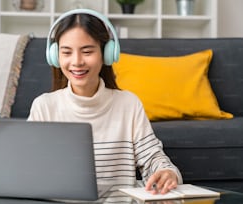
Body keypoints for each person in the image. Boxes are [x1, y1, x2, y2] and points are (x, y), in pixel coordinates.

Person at [27, 9, 182, 195]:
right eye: (66, 52)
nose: (76, 62)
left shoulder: (128, 104)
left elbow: (152, 158)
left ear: (107, 53)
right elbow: (30, 168)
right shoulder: (44, 106)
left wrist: (166, 172)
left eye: (87, 51)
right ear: (54, 56)